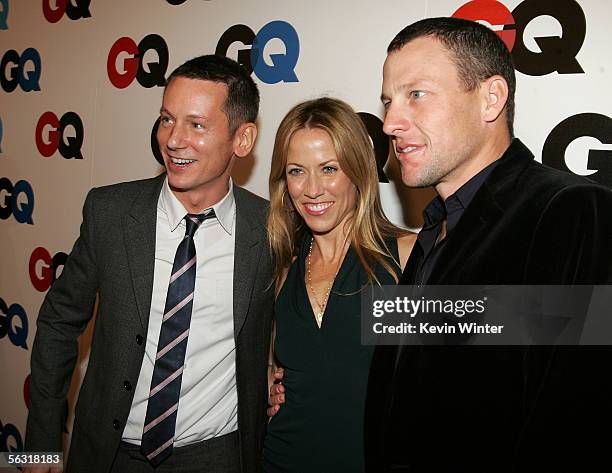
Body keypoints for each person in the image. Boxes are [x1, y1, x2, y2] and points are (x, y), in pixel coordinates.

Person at [365, 17, 612, 472]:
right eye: (388, 102)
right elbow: (413, 371)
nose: (391, 123)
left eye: (416, 95)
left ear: (491, 99)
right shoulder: (433, 229)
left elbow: (574, 414)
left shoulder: (571, 212)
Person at [24, 55, 274, 473]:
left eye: (196, 125)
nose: (173, 139)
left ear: (242, 139)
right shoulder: (110, 213)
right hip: (107, 454)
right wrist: (40, 445)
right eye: (166, 119)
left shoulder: (271, 230)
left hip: (218, 457)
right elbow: (58, 322)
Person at [262, 97, 415, 473]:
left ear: (359, 171)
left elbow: (517, 328)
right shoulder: (285, 269)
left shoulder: (405, 258)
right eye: (297, 171)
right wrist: (263, 381)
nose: (312, 189)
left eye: (329, 168)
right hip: (282, 460)